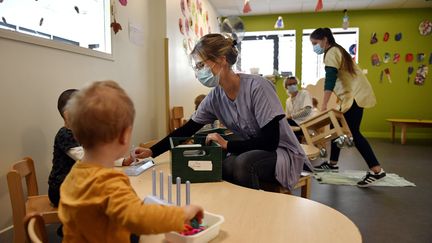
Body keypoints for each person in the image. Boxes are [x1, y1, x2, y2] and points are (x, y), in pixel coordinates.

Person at [141, 33, 310, 191]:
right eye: (197, 67)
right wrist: (152, 152)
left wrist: (227, 144)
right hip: (254, 150)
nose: (198, 72)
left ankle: (257, 213)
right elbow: (188, 129)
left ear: (221, 60)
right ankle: (237, 208)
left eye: (201, 65)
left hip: (281, 153)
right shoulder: (215, 97)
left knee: (243, 164)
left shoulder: (257, 87)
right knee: (226, 164)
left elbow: (270, 141)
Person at [59, 81, 203, 242]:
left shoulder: (73, 175)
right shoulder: (108, 183)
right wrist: (182, 214)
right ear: (124, 136)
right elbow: (139, 218)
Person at [310, 27, 386, 187]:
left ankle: (376, 170)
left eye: (315, 43)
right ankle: (332, 163)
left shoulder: (331, 52)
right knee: (335, 125)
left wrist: (323, 105)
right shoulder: (337, 50)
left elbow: (330, 80)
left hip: (354, 96)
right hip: (351, 96)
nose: (314, 47)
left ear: (324, 39)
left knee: (353, 132)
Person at [48, 89, 142, 208]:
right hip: (60, 189)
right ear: (67, 115)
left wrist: (123, 161)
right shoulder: (65, 135)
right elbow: (88, 157)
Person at [284, 76, 314, 141]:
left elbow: (307, 111)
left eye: (294, 84)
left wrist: (291, 116)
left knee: (286, 123)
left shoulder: (304, 93)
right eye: (290, 84)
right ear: (286, 87)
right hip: (296, 126)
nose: (293, 86)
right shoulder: (288, 101)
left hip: (306, 124)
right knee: (282, 123)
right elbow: (287, 116)